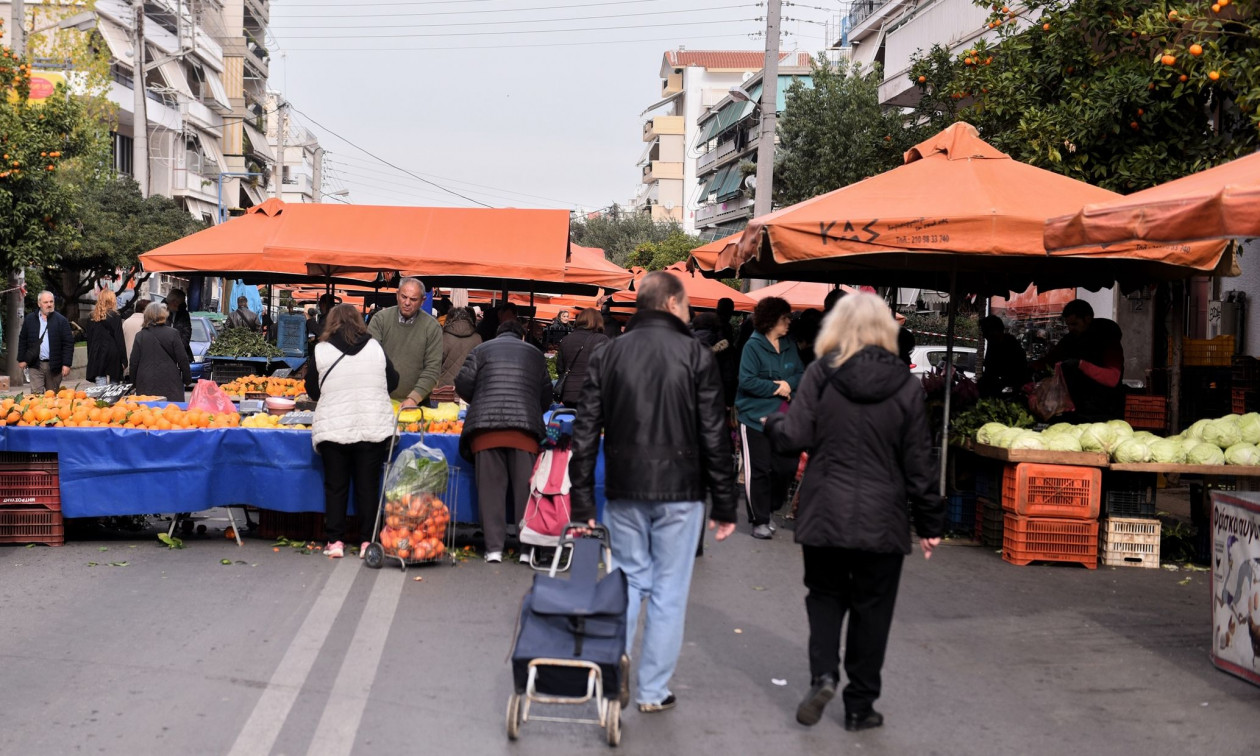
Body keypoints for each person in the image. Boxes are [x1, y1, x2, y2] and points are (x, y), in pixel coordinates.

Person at [763, 292, 943, 732]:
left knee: (824, 598)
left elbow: (795, 435)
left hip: (826, 510)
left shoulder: (820, 375)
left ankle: (824, 675)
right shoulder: (904, 384)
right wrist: (931, 523)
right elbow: (920, 461)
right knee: (873, 610)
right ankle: (861, 705)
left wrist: (773, 424)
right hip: (883, 518)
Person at [569, 271, 738, 714]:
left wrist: (582, 499)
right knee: (668, 592)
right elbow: (714, 433)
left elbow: (585, 429)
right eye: (685, 305)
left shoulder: (610, 353)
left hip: (624, 486)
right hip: (681, 491)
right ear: (671, 304)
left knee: (626, 580)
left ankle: (612, 672)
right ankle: (651, 692)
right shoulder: (696, 355)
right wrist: (724, 502)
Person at [454, 319, 552, 563]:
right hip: (524, 432)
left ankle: (494, 548)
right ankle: (527, 550)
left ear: (497, 335)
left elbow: (463, 383)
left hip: (486, 429)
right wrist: (530, 407)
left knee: (490, 490)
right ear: (521, 337)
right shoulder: (535, 354)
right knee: (525, 491)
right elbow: (547, 394)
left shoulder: (481, 350)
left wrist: (480, 397)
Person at [307, 304, 399, 559]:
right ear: (359, 321)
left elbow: (313, 390)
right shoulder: (375, 347)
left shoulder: (321, 350)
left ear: (331, 322)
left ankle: (335, 541)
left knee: (335, 487)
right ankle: (367, 542)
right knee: (368, 486)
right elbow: (393, 381)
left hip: (334, 427)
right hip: (372, 427)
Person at [735, 296, 804, 540]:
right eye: (785, 318)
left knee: (786, 467)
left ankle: (770, 507)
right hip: (753, 418)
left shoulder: (789, 344)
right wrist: (777, 388)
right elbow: (746, 381)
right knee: (759, 469)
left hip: (783, 420)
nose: (788, 322)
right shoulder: (752, 346)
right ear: (772, 319)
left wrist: (788, 384)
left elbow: (800, 374)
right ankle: (760, 519)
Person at [1032, 299, 1124, 422]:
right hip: (1076, 410)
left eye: (1074, 324)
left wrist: (1080, 364)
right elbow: (1049, 360)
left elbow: (1112, 378)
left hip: (1105, 411)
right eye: (1068, 325)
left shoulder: (1108, 341)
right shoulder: (1069, 340)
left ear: (1088, 319)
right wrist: (1033, 368)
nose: (1070, 329)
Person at [368, 278, 443, 408]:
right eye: (404, 297)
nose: (407, 302)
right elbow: (369, 360)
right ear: (397, 295)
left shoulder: (432, 327)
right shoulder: (380, 320)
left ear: (422, 301)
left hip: (418, 404)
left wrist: (414, 398)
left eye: (413, 299)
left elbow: (432, 369)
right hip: (380, 401)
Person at [129, 303, 191, 402]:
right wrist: (187, 379)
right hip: (170, 380)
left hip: (145, 381)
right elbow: (182, 358)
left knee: (148, 412)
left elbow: (134, 362)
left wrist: (133, 382)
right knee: (170, 412)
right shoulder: (173, 333)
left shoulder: (140, 336)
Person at [18, 291, 74, 393]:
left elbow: (68, 343)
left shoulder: (61, 320)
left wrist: (66, 364)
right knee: (36, 396)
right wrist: (21, 359)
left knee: (51, 397)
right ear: (39, 304)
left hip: (54, 366)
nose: (49, 304)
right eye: (46, 302)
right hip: (35, 364)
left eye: (51, 302)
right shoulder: (30, 319)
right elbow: (23, 339)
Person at [555, 308, 609, 408]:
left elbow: (560, 368)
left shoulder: (566, 340)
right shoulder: (602, 339)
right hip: (591, 394)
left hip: (569, 393)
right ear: (598, 321)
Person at [977, 315, 1031, 398]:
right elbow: (989, 371)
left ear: (996, 330)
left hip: (1011, 393)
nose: (984, 336)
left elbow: (1018, 373)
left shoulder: (1011, 345)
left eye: (985, 332)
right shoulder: (992, 345)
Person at [85, 290, 128, 384]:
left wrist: (90, 357)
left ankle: (102, 398)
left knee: (100, 381)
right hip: (113, 353)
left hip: (97, 353)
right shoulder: (115, 316)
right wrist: (124, 360)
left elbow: (90, 340)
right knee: (114, 382)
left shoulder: (92, 317)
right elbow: (119, 339)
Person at [437, 307, 481, 387]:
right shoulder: (477, 338)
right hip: (468, 388)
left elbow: (435, 365)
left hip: (445, 389)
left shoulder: (443, 338)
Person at [122, 298, 150, 374]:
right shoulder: (148, 323)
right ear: (145, 310)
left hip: (127, 365)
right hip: (144, 366)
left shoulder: (126, 322)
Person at [165, 288, 193, 359]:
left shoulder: (184, 314)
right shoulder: (161, 311)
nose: (177, 307)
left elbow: (187, 333)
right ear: (172, 301)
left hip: (180, 352)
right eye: (176, 304)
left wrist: (180, 349)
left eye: (180, 303)